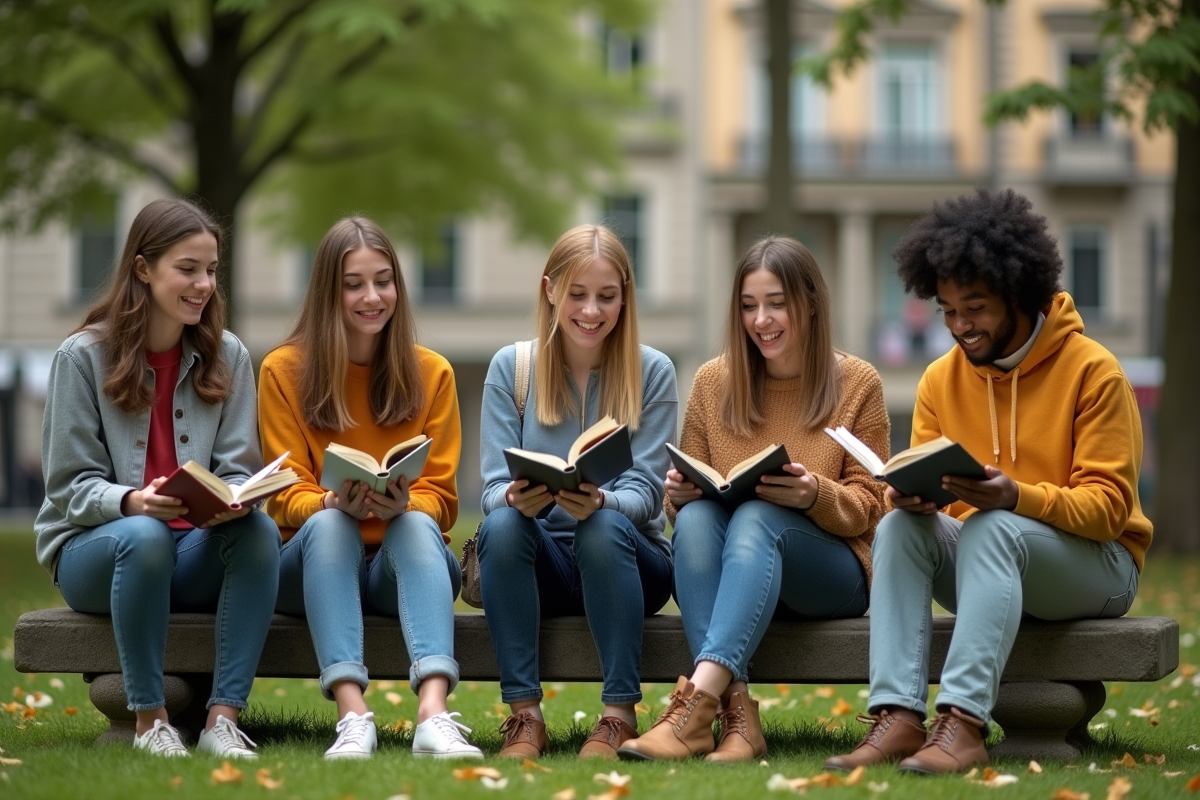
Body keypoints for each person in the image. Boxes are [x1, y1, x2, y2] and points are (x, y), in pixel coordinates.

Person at [824, 188, 1152, 775]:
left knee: (996, 527)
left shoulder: (1094, 372)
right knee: (900, 525)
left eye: (974, 308)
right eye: (947, 309)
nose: (959, 326)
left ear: (1019, 294)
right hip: (993, 559)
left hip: (1098, 567)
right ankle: (898, 717)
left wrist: (1015, 496)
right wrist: (921, 499)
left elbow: (1108, 510)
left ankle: (964, 724)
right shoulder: (938, 380)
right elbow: (949, 514)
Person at [617, 236, 889, 762]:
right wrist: (679, 493)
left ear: (809, 303)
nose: (761, 320)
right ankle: (738, 719)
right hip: (740, 573)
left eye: (776, 303)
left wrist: (814, 493)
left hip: (832, 575)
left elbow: (873, 504)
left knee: (759, 514)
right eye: (748, 306)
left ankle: (692, 709)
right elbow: (686, 501)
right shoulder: (714, 381)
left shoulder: (857, 382)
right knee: (696, 519)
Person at [35, 198, 281, 758]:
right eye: (187, 269)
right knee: (144, 536)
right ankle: (150, 720)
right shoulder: (82, 357)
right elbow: (69, 487)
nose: (203, 285)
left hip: (186, 551)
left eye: (211, 271)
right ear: (143, 269)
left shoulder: (230, 355)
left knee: (259, 534)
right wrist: (132, 502)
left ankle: (223, 719)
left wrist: (236, 498)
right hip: (95, 554)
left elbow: (237, 468)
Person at [258, 217, 480, 760]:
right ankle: (352, 717)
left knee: (415, 521)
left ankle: (433, 713)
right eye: (354, 284)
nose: (372, 296)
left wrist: (406, 501)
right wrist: (331, 502)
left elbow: (444, 499)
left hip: (396, 568)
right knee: (331, 523)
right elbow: (282, 495)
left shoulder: (432, 373)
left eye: (384, 281)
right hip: (309, 563)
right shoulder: (283, 371)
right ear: (328, 292)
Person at [477, 224, 678, 760]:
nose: (592, 311)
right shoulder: (512, 368)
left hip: (630, 560)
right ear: (550, 291)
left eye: (607, 297)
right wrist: (517, 499)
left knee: (603, 524)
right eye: (578, 295)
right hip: (541, 562)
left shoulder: (652, 371)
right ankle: (525, 718)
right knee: (500, 525)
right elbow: (492, 491)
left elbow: (648, 492)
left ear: (625, 297)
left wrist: (606, 501)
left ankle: (618, 717)